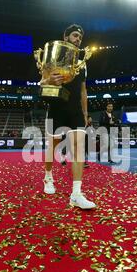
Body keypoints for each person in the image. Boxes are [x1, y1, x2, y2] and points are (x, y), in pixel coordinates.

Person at [41, 24, 96, 209]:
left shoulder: (82, 61)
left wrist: (85, 113)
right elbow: (42, 83)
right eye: (74, 35)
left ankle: (76, 194)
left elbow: (83, 90)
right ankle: (48, 177)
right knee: (53, 147)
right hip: (56, 106)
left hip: (74, 110)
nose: (78, 39)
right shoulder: (52, 54)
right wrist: (49, 80)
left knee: (78, 147)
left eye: (80, 37)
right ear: (65, 37)